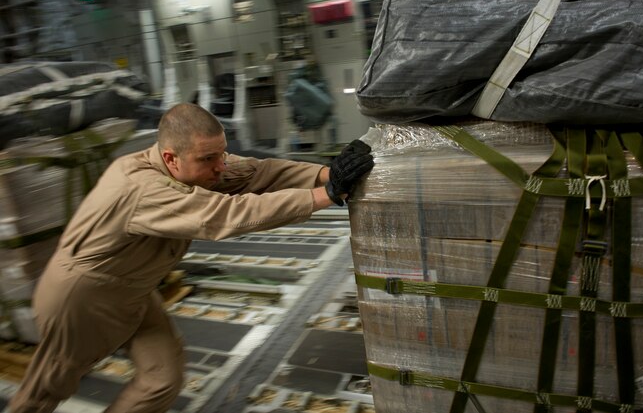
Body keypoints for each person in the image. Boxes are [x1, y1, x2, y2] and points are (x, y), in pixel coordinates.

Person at [9, 103, 374, 413]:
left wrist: (329, 172)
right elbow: (222, 216)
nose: (221, 166)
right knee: (49, 387)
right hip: (84, 298)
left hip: (133, 289)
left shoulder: (195, 166)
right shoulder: (141, 188)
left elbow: (258, 172)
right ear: (171, 157)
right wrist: (324, 195)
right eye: (208, 159)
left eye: (221, 154)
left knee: (162, 378)